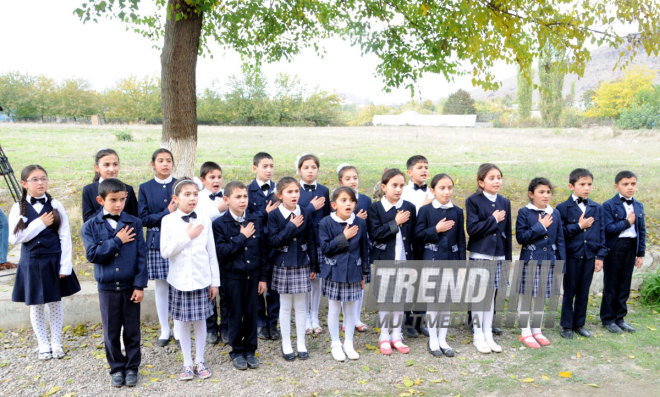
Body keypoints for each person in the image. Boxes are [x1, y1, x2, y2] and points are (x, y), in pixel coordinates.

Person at [9, 165, 80, 360]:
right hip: (31, 262)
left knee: (55, 302)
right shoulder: (18, 207)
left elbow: (65, 236)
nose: (40, 183)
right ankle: (43, 344)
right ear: (24, 183)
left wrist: (65, 265)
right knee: (36, 305)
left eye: (43, 178)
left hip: (53, 260)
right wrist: (40, 223)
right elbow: (15, 238)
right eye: (35, 179)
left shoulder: (55, 204)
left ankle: (56, 343)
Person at [81, 178, 147, 387]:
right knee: (111, 331)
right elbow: (93, 254)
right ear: (101, 200)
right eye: (113, 200)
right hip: (107, 288)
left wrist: (139, 285)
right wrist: (117, 240)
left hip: (130, 287)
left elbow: (141, 256)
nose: (118, 204)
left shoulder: (134, 222)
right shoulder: (91, 226)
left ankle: (132, 367)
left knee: (132, 330)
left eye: (122, 199)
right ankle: (116, 368)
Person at [160, 178, 220, 381]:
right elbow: (165, 252)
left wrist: (215, 282)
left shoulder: (205, 219)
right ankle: (187, 363)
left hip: (202, 279)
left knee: (201, 320)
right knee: (182, 322)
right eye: (187, 194)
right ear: (176, 199)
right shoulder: (168, 221)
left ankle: (200, 360)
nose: (192, 198)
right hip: (180, 280)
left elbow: (211, 253)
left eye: (195, 194)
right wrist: (187, 236)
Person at [212, 181, 267, 370]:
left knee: (251, 313)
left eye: (245, 196)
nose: (243, 200)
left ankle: (250, 350)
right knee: (235, 314)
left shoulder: (255, 220)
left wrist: (262, 277)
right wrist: (241, 237)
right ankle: (236, 350)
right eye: (238, 197)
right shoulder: (219, 224)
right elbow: (221, 251)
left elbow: (261, 250)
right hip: (232, 278)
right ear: (226, 200)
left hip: (252, 276)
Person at [267, 177, 318, 361]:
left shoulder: (305, 211)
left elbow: (312, 239)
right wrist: (291, 226)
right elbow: (273, 241)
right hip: (283, 264)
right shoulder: (274, 215)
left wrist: (314, 264)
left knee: (301, 306)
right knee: (286, 306)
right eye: (289, 192)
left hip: (303, 263)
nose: (294, 195)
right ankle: (286, 343)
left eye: (296, 191)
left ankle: (301, 343)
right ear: (280, 195)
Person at [415, 173, 464, 357]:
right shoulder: (426, 211)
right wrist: (436, 229)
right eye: (442, 188)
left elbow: (460, 241)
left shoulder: (457, 212)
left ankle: (443, 339)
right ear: (433, 190)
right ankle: (433, 339)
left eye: (449, 188)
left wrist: (461, 265)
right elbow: (418, 236)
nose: (446, 191)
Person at [368, 168, 416, 355]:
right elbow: (376, 234)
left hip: (404, 260)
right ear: (384, 187)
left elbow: (412, 237)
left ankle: (397, 335)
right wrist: (395, 222)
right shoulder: (376, 208)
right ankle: (384, 336)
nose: (398, 189)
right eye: (394, 185)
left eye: (401, 185)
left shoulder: (409, 207)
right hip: (384, 260)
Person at [318, 187, 370, 361]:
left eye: (351, 200)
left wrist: (364, 274)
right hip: (333, 273)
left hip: (353, 273)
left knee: (351, 310)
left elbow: (364, 249)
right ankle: (335, 343)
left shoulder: (360, 223)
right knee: (334, 308)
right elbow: (325, 249)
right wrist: (344, 236)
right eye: (343, 200)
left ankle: (349, 342)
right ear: (334, 205)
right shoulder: (326, 222)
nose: (348, 203)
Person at [465, 163, 511, 354]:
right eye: (491, 178)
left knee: (491, 295)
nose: (496, 181)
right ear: (481, 182)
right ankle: (478, 335)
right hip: (480, 254)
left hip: (498, 254)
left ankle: (488, 334)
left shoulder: (505, 202)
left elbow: (507, 232)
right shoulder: (473, 201)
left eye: (499, 177)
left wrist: (507, 258)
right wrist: (493, 220)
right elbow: (472, 229)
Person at [515, 177, 565, 348]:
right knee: (526, 296)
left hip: (548, 261)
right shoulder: (524, 212)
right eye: (541, 192)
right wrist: (540, 226)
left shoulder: (555, 213)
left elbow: (560, 240)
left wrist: (560, 264)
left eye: (548, 192)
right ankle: (525, 331)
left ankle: (537, 329)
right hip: (530, 260)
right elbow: (521, 237)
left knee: (541, 297)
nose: (545, 195)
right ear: (531, 194)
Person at [556, 168, 606, 339]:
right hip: (571, 256)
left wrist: (600, 256)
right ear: (571, 185)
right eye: (582, 184)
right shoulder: (562, 208)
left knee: (584, 292)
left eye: (589, 184)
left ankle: (579, 324)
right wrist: (579, 226)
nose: (586, 188)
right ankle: (567, 325)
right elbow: (560, 233)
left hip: (589, 257)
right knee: (569, 291)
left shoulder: (596, 208)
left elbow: (601, 233)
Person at [137, 148, 177, 346]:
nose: (165, 164)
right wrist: (166, 212)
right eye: (160, 160)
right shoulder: (145, 187)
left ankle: (178, 327)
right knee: (161, 286)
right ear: (153, 164)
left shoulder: (179, 185)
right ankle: (164, 328)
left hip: (178, 240)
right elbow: (143, 218)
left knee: (177, 285)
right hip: (155, 241)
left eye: (168, 160)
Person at [601, 171, 646, 334]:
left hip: (631, 247)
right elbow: (608, 229)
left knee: (624, 284)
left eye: (633, 184)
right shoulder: (608, 205)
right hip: (615, 247)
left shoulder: (638, 205)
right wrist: (627, 222)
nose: (630, 187)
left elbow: (641, 230)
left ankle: (620, 317)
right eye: (625, 184)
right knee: (611, 283)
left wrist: (640, 253)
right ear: (616, 186)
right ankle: (608, 318)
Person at [247, 152, 281, 340]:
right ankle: (259, 321)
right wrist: (264, 213)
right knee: (257, 286)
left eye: (271, 166)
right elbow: (247, 218)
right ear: (255, 168)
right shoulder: (248, 191)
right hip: (256, 245)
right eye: (265, 166)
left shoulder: (279, 190)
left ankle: (272, 323)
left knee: (274, 287)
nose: (269, 170)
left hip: (275, 244)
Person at [297, 154, 330, 335]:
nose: (310, 170)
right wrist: (310, 207)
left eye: (313, 167)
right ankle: (305, 318)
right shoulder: (295, 190)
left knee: (317, 280)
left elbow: (326, 217)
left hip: (319, 241)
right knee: (305, 280)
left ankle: (315, 316)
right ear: (300, 170)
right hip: (302, 241)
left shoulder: (324, 190)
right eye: (306, 167)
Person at [196, 161, 229, 345]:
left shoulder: (226, 196)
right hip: (206, 249)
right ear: (203, 180)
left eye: (219, 177)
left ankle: (225, 327)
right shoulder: (199, 198)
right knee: (210, 290)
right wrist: (218, 209)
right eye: (212, 178)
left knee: (225, 290)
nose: (216, 181)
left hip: (225, 248)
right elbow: (199, 219)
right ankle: (210, 327)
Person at [401, 155, 433, 338]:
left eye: (426, 167)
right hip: (410, 243)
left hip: (428, 244)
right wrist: (423, 207)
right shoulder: (404, 192)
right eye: (420, 167)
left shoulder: (434, 191)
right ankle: (407, 321)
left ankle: (420, 320)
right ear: (409, 172)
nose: (424, 170)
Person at [337, 163, 371, 332]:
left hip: (361, 244)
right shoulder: (337, 200)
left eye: (355, 178)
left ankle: (356, 318)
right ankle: (346, 319)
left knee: (360, 283)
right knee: (345, 283)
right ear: (340, 182)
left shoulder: (365, 200)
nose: (352, 181)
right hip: (344, 245)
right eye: (347, 178)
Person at [82, 148, 138, 222]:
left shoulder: (128, 189)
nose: (112, 169)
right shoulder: (89, 190)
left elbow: (134, 217)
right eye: (106, 165)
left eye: (115, 164)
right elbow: (87, 220)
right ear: (97, 167)